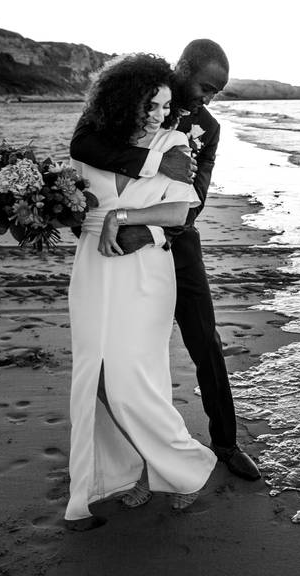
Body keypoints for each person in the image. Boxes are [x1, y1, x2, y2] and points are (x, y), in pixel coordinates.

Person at [69, 39, 261, 481]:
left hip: (175, 241)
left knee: (205, 340)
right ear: (184, 67)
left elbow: (195, 201)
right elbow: (85, 145)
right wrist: (155, 163)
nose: (209, 98)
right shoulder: (129, 98)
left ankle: (226, 444)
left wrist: (150, 229)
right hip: (115, 247)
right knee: (117, 354)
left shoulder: (208, 128)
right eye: (206, 86)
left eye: (217, 92)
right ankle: (129, 455)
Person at [65, 53, 216, 531]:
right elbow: (78, 201)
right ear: (124, 100)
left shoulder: (176, 143)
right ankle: (140, 467)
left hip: (145, 272)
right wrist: (55, 209)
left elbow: (177, 214)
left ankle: (184, 467)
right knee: (97, 378)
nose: (158, 114)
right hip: (91, 266)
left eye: (164, 105)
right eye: (150, 104)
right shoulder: (92, 145)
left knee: (133, 379)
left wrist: (124, 217)